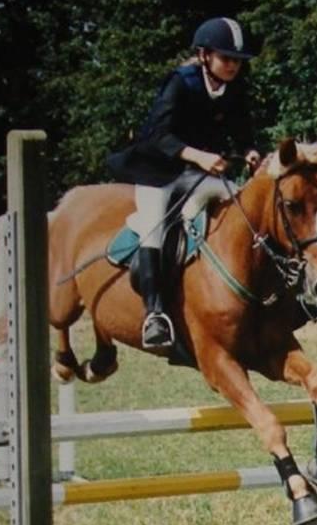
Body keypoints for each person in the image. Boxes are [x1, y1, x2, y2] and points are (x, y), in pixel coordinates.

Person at [107, 17, 261, 351]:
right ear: (205, 55)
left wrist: (250, 151)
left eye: (237, 60)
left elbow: (243, 129)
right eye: (226, 58)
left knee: (244, 210)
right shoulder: (180, 82)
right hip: (159, 171)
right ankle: (155, 314)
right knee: (154, 227)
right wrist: (199, 156)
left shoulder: (234, 90)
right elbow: (157, 135)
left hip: (202, 174)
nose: (233, 65)